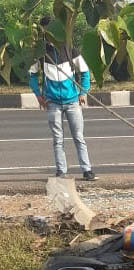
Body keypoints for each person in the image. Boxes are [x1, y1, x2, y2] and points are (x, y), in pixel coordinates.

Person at [29, 16, 96, 180]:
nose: (48, 32)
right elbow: (31, 75)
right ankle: (61, 171)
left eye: (51, 28)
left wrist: (83, 92)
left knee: (79, 137)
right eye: (45, 29)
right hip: (52, 103)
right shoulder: (40, 52)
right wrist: (38, 96)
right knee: (57, 139)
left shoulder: (70, 49)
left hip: (72, 101)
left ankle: (87, 170)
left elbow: (85, 72)